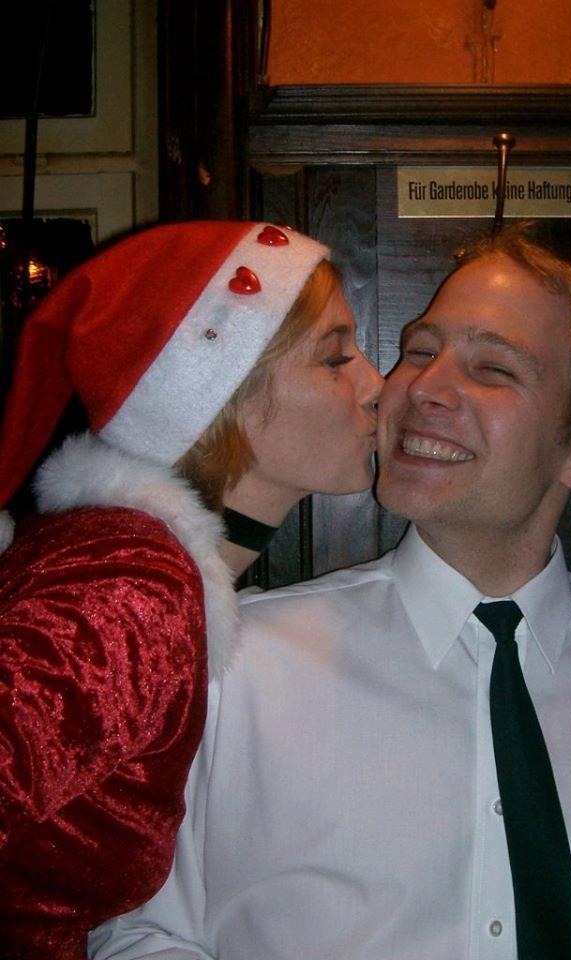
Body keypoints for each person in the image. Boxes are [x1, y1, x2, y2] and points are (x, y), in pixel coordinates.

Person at [89, 225, 571, 960]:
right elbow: (138, 932)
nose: (422, 388)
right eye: (419, 351)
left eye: (493, 368)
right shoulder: (237, 663)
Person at [0, 220, 382, 959]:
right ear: (216, 405)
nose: (376, 386)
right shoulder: (133, 587)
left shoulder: (126, 560)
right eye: (336, 358)